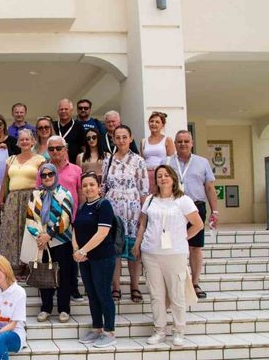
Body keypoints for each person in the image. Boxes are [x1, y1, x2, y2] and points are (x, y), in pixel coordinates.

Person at [132, 165, 204, 347]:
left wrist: (183, 238)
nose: (163, 178)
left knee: (176, 294)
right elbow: (143, 224)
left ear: (173, 178)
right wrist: (137, 244)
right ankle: (159, 330)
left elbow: (198, 224)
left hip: (174, 253)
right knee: (156, 294)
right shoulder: (150, 200)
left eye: (166, 175)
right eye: (159, 176)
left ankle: (179, 331)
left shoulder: (183, 200)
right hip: (151, 252)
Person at [168, 130, 219, 299]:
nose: (183, 144)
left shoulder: (202, 162)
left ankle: (195, 283)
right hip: (173, 209)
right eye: (179, 141)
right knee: (172, 246)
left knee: (195, 247)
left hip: (195, 209)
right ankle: (175, 282)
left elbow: (210, 188)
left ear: (192, 143)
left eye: (186, 141)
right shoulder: (167, 162)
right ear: (174, 143)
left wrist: (215, 211)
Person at [101, 125, 148, 303]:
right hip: (113, 209)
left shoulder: (139, 161)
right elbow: (103, 186)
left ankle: (134, 286)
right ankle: (116, 287)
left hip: (133, 209)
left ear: (130, 138)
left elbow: (143, 190)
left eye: (124, 137)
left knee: (133, 250)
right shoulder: (108, 160)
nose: (121, 140)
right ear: (113, 139)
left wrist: (143, 216)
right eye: (117, 137)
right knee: (115, 250)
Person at [72, 172, 117, 348]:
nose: (88, 188)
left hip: (102, 258)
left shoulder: (104, 205)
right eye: (85, 186)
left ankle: (109, 331)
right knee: (91, 294)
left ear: (99, 187)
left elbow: (102, 232)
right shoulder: (83, 206)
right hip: (85, 259)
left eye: (92, 184)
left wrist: (83, 250)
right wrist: (76, 249)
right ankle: (97, 327)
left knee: (103, 294)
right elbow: (75, 228)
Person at [27, 164, 74, 323]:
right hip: (42, 242)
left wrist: (50, 234)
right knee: (44, 274)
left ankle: (64, 309)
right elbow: (30, 217)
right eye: (44, 175)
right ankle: (46, 308)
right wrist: (40, 236)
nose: (47, 177)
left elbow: (66, 218)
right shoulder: (35, 194)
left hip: (61, 241)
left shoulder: (64, 193)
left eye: (50, 174)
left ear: (55, 174)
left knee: (64, 276)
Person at [0, 129, 45, 269]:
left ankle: (29, 265)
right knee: (11, 232)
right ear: (18, 142)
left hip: (31, 197)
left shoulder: (39, 159)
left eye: (27, 139)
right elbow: (5, 180)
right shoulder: (11, 159)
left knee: (29, 231)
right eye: (22, 139)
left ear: (32, 141)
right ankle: (13, 266)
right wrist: (1, 198)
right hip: (13, 198)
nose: (24, 142)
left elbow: (43, 180)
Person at [46, 135, 84, 301]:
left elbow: (81, 194)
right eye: (52, 149)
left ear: (65, 149)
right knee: (51, 258)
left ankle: (72, 288)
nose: (55, 152)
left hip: (71, 220)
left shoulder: (76, 170)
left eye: (58, 148)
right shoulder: (44, 170)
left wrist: (81, 216)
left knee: (71, 258)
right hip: (49, 222)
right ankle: (51, 289)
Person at [141, 112, 175, 194]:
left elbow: (172, 160)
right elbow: (142, 160)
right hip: (147, 175)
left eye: (157, 122)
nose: (153, 124)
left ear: (162, 125)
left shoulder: (167, 140)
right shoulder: (143, 141)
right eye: (151, 121)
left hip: (161, 175)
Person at [53, 98, 86, 163]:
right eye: (61, 109)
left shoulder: (79, 127)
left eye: (66, 109)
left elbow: (84, 147)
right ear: (58, 111)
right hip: (55, 164)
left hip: (74, 163)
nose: (63, 111)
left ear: (71, 111)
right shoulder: (53, 126)